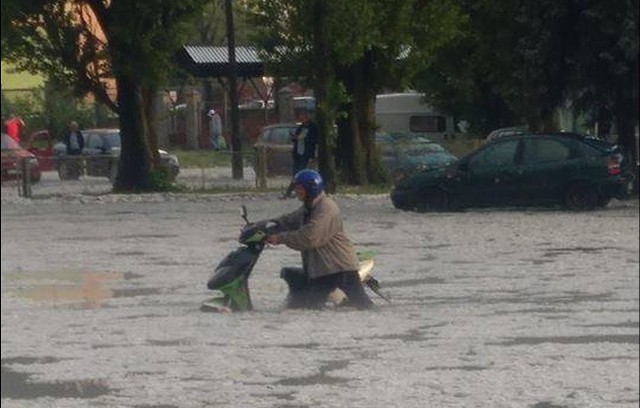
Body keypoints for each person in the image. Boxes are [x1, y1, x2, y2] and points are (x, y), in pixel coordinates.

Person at [261, 169, 374, 310]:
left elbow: (310, 237)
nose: (296, 192)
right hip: (324, 268)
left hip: (339, 267)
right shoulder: (310, 207)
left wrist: (280, 238)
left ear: (311, 189)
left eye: (299, 189)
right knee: (311, 308)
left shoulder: (326, 208)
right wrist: (266, 225)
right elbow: (289, 220)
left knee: (362, 306)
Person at [281, 108, 318, 198]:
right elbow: (296, 138)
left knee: (300, 174)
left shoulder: (313, 127)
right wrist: (294, 137)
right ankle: (293, 192)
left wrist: (303, 138)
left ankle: (290, 192)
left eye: (303, 116)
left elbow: (314, 140)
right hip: (298, 153)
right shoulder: (301, 127)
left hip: (306, 154)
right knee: (296, 173)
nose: (302, 119)